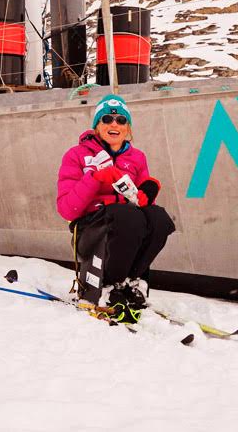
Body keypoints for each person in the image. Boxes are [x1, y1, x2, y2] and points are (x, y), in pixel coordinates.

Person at [56, 94, 175, 322]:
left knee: (159, 219)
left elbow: (142, 200)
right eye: (107, 119)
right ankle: (108, 286)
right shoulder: (77, 155)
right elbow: (67, 210)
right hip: (91, 230)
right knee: (128, 216)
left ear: (127, 127)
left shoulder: (137, 158)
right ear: (97, 126)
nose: (114, 124)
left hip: (127, 225)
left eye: (121, 120)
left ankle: (133, 281)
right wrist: (95, 178)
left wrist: (148, 191)